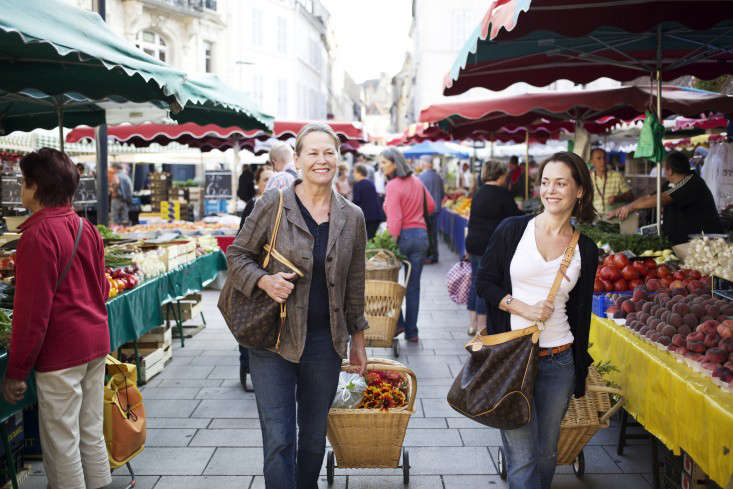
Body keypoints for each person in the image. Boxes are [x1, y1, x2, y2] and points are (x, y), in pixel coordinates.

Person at [226, 123, 368, 489]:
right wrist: (264, 280)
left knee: (312, 441)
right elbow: (237, 255)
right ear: (298, 160)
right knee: (279, 439)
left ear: (338, 158)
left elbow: (355, 283)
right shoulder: (273, 205)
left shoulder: (352, 216)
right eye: (313, 153)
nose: (322, 160)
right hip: (273, 338)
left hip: (325, 343)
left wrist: (359, 341)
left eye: (329, 152)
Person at [476, 151, 598, 489]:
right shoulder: (513, 229)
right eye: (546, 182)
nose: (551, 190)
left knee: (546, 454)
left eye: (561, 183)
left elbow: (581, 311)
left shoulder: (585, 249)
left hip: (558, 360)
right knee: (522, 457)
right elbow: (484, 282)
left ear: (579, 191)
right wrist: (521, 307)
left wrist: (579, 370)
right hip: (512, 358)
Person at [2, 148, 111, 489]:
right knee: (91, 431)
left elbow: (31, 315)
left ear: (35, 187)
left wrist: (17, 371)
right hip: (95, 341)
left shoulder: (35, 237)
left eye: (23, 182)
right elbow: (102, 288)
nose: (21, 189)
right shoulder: (86, 227)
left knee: (62, 441)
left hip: (60, 352)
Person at [380, 148, 436, 343]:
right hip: (420, 236)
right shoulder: (418, 182)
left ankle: (399, 323)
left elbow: (395, 219)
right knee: (413, 287)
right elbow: (431, 206)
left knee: (391, 284)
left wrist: (390, 247)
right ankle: (412, 332)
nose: (381, 166)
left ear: (395, 164)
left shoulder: (393, 185)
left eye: (384, 163)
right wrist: (415, 213)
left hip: (401, 237)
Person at [607, 151, 723, 244]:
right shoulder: (670, 183)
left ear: (670, 171)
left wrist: (631, 207)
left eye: (664, 168)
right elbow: (649, 197)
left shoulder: (691, 183)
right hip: (680, 241)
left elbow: (662, 198)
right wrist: (622, 209)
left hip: (701, 242)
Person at [464, 160, 521, 336]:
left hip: (473, 243)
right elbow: (515, 218)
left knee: (475, 282)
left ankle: (472, 323)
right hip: (488, 246)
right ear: (501, 175)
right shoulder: (502, 194)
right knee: (485, 283)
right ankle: (482, 326)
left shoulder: (478, 193)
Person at [236, 166, 274, 391]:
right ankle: (247, 366)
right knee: (249, 324)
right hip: (255, 276)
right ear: (258, 183)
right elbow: (241, 245)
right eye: (266, 180)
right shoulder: (253, 205)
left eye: (273, 179)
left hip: (272, 277)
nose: (270, 184)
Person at [589, 148, 632, 214]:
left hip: (614, 217)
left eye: (604, 158)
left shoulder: (617, 176)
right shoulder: (589, 178)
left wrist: (617, 198)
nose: (603, 161)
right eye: (599, 158)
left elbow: (630, 195)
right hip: (594, 217)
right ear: (592, 161)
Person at [418, 156, 445, 264]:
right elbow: (443, 194)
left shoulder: (420, 177)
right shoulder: (438, 177)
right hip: (436, 209)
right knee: (434, 233)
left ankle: (428, 255)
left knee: (427, 233)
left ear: (424, 164)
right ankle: (435, 255)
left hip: (425, 210)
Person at [352, 163, 383, 239]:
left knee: (365, 240)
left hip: (366, 217)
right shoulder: (371, 183)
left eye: (354, 172)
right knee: (372, 238)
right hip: (376, 215)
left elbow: (356, 201)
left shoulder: (357, 185)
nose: (353, 175)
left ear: (359, 173)